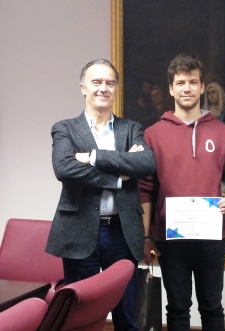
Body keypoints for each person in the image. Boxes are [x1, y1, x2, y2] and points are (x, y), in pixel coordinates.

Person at [46, 59, 156, 331]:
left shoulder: (131, 128)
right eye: (96, 82)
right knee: (79, 312)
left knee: (127, 314)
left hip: (122, 231)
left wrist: (93, 157)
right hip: (79, 229)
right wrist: (118, 177)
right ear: (83, 87)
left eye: (109, 82)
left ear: (116, 88)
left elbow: (146, 164)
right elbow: (65, 167)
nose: (103, 88)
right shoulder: (65, 128)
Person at [138, 53, 225, 331]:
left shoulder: (222, 132)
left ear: (201, 86)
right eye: (181, 82)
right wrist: (146, 236)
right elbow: (146, 189)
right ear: (171, 88)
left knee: (212, 307)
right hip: (171, 237)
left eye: (193, 82)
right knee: (177, 309)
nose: (187, 88)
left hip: (211, 235)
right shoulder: (153, 134)